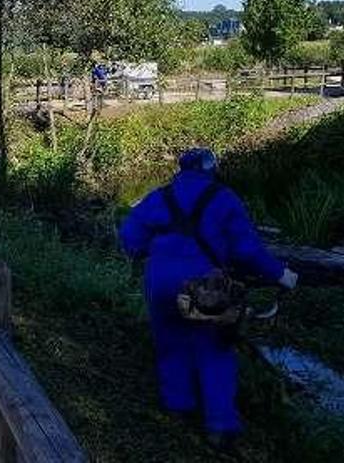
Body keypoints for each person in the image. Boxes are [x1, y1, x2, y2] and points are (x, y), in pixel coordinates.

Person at [118, 148, 298, 452]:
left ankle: (178, 409)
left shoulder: (160, 196)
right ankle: (220, 427)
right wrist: (281, 274)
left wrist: (163, 254)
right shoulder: (224, 198)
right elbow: (246, 251)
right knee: (215, 351)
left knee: (170, 346)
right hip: (206, 288)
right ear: (211, 168)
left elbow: (130, 238)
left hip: (160, 284)